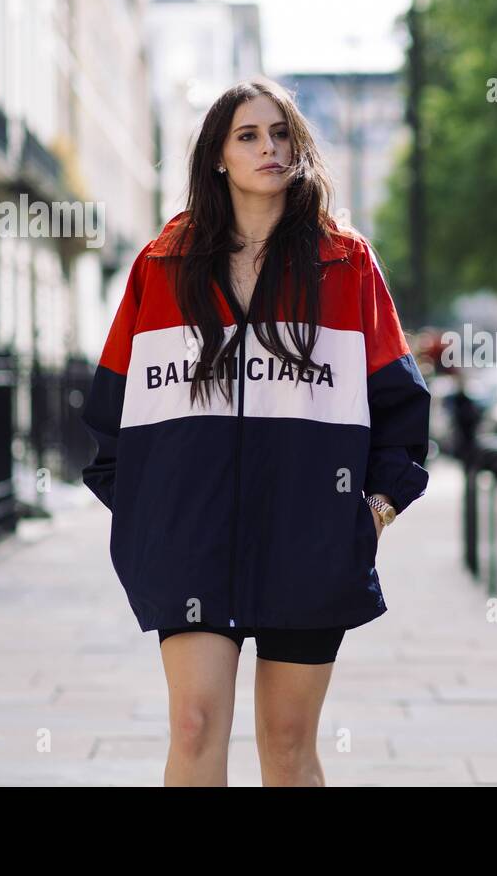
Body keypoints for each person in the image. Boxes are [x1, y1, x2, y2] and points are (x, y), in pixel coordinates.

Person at [79, 78, 430, 785]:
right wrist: (156, 516)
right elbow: (111, 413)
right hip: (191, 541)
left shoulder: (345, 262)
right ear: (217, 157)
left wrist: (370, 514)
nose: (269, 148)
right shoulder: (161, 265)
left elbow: (400, 407)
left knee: (289, 739)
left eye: (281, 134)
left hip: (309, 541)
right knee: (194, 724)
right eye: (248, 135)